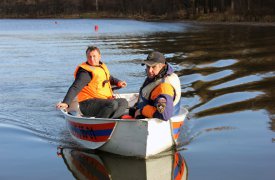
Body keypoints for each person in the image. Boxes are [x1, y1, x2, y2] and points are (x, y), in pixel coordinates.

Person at [56, 46, 128, 118]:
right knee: (112, 104)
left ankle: (113, 120)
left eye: (94, 56)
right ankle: (99, 123)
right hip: (87, 105)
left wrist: (118, 82)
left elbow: (108, 78)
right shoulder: (85, 72)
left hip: (101, 101)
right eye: (89, 57)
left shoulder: (100, 66)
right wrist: (66, 102)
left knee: (123, 102)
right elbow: (75, 87)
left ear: (99, 56)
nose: (92, 59)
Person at [130, 51, 181, 121]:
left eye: (153, 67)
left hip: (158, 124)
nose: (150, 71)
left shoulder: (164, 87)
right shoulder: (156, 76)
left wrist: (141, 111)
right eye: (148, 66)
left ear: (162, 66)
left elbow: (164, 114)